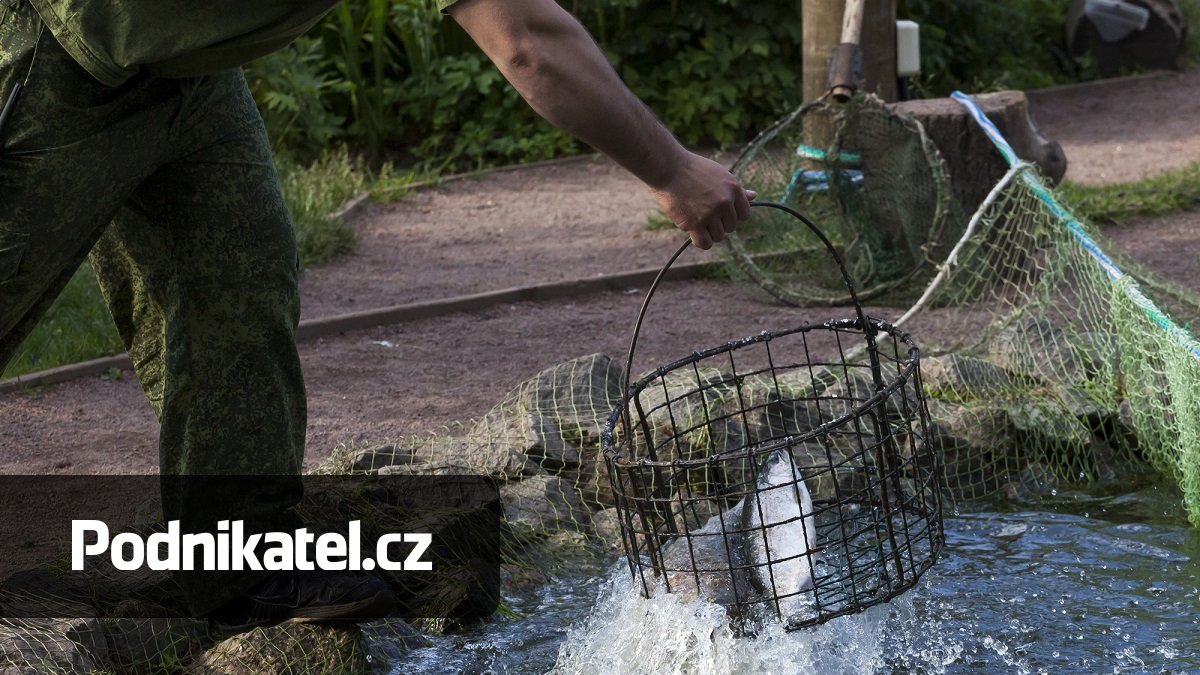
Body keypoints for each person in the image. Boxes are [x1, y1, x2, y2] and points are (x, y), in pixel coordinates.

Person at [0, 0, 754, 631]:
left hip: (182, 63)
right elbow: (529, 43)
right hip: (55, 44)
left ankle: (241, 561)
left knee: (238, 272)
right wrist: (673, 169)